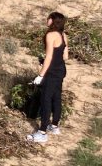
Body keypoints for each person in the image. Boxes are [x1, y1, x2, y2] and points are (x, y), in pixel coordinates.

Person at [27, 12, 69, 144]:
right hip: (61, 71)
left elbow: (50, 57)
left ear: (52, 21)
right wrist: (46, 60)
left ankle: (42, 132)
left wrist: (40, 75)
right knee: (56, 98)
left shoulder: (51, 35)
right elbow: (65, 56)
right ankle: (55, 126)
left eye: (48, 18)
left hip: (51, 73)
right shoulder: (63, 35)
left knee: (46, 100)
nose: (47, 20)